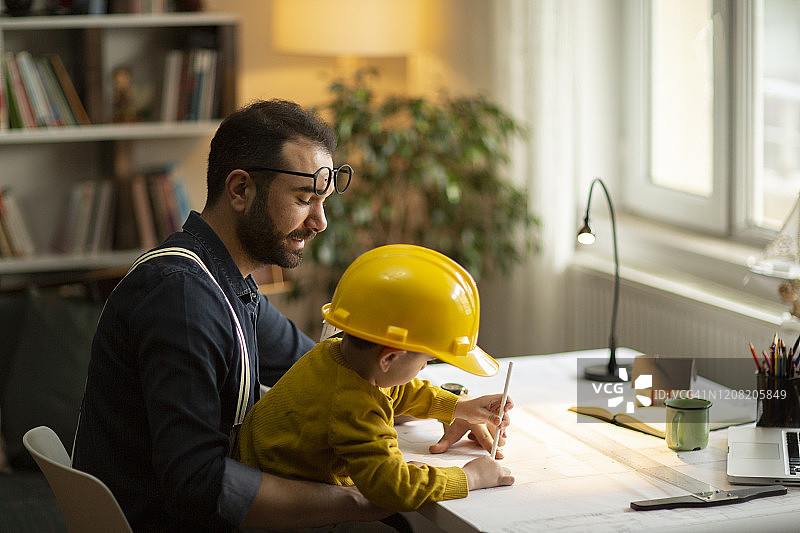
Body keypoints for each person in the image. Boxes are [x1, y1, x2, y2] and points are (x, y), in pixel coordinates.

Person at [73, 99, 385, 532]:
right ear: (240, 190)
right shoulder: (182, 297)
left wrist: (446, 406)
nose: (320, 222)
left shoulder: (227, 282)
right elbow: (198, 485)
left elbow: (325, 371)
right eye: (304, 199)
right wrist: (358, 501)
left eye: (323, 202)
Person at [235, 244, 515, 513]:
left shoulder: (337, 355)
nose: (422, 369)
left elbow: (399, 390)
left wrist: (459, 407)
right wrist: (469, 478)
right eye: (426, 360)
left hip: (253, 468)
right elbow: (393, 487)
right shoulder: (354, 406)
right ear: (389, 358)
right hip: (282, 510)